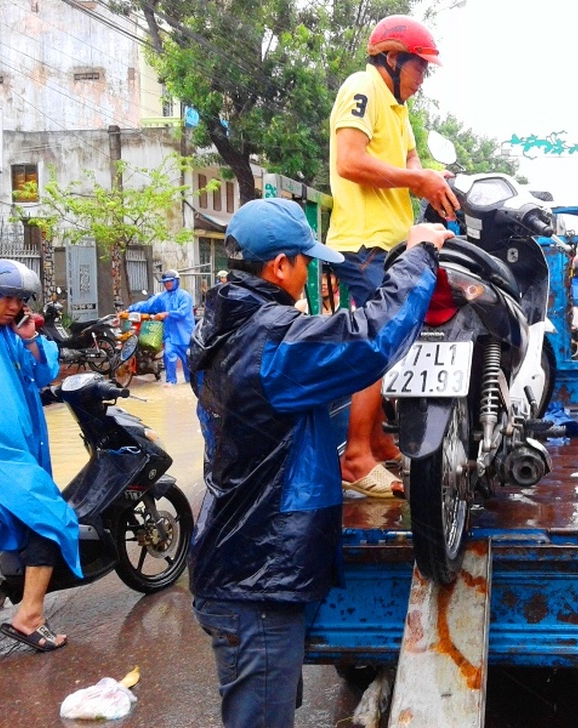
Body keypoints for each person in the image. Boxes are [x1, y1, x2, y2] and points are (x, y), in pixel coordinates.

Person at [187, 197, 451, 728]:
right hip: (255, 578)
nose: (310, 270)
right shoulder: (269, 344)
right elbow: (370, 340)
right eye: (306, 260)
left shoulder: (220, 327)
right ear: (280, 265)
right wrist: (418, 256)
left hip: (240, 564)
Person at [327, 14, 459, 498]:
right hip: (362, 242)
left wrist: (433, 182)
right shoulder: (362, 88)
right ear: (391, 58)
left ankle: (380, 441)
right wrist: (417, 180)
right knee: (379, 343)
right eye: (419, 68)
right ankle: (357, 457)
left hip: (390, 242)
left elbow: (409, 163)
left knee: (396, 337)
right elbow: (349, 159)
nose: (422, 79)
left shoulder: (399, 110)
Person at [0, 259, 82, 652]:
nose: (14, 306)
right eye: (7, 298)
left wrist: (30, 339)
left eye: (21, 300)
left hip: (14, 451)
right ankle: (29, 616)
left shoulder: (10, 334)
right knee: (54, 517)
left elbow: (44, 376)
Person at [127, 269, 195, 385]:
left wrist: (166, 314)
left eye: (170, 281)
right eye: (165, 282)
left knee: (188, 364)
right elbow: (147, 305)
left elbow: (182, 313)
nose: (167, 284)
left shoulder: (185, 296)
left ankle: (191, 383)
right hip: (169, 335)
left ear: (176, 281)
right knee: (168, 355)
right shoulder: (162, 297)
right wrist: (130, 309)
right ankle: (170, 382)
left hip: (185, 335)